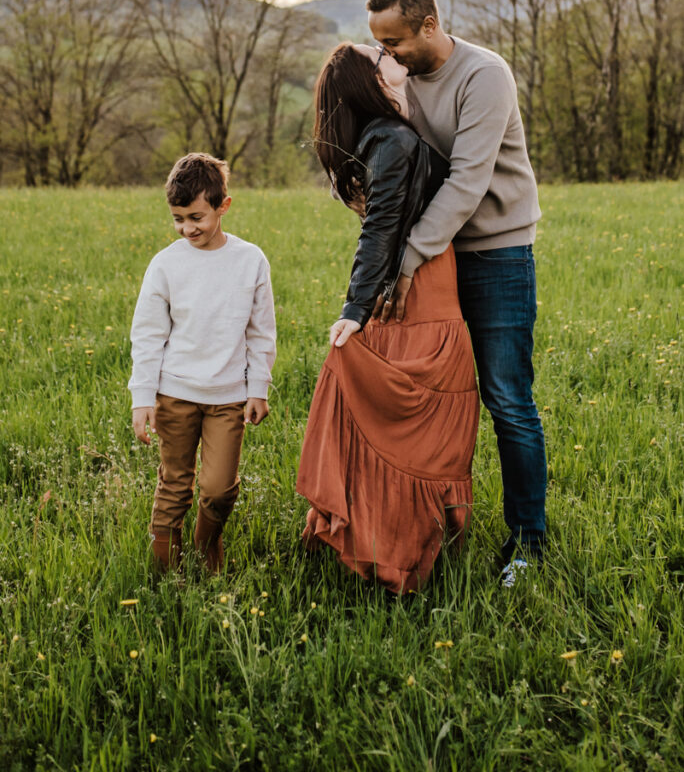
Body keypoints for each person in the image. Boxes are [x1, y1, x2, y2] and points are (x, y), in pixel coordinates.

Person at [366, 0, 546, 585]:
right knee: (434, 396)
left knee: (507, 400)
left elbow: (468, 180)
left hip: (496, 252)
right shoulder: (402, 80)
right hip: (438, 257)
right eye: (378, 43)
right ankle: (426, 526)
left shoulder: (483, 75)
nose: (387, 53)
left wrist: (407, 259)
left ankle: (528, 542)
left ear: (428, 25)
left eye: (395, 40)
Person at [296, 43, 479, 594]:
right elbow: (379, 227)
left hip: (420, 275)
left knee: (416, 409)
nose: (392, 55)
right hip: (419, 283)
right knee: (416, 412)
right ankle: (392, 546)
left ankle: (393, 532)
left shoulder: (385, 133)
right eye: (380, 55)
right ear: (372, 81)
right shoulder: (393, 138)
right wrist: (354, 309)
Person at [128, 153, 276, 574]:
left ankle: (206, 545)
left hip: (228, 396)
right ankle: (164, 573)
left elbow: (260, 331)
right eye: (178, 218)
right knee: (174, 483)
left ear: (222, 206)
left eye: (196, 216)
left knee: (218, 489)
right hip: (174, 393)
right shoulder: (166, 264)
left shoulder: (250, 261)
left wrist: (257, 387)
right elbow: (148, 334)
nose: (187, 228)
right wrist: (143, 397)